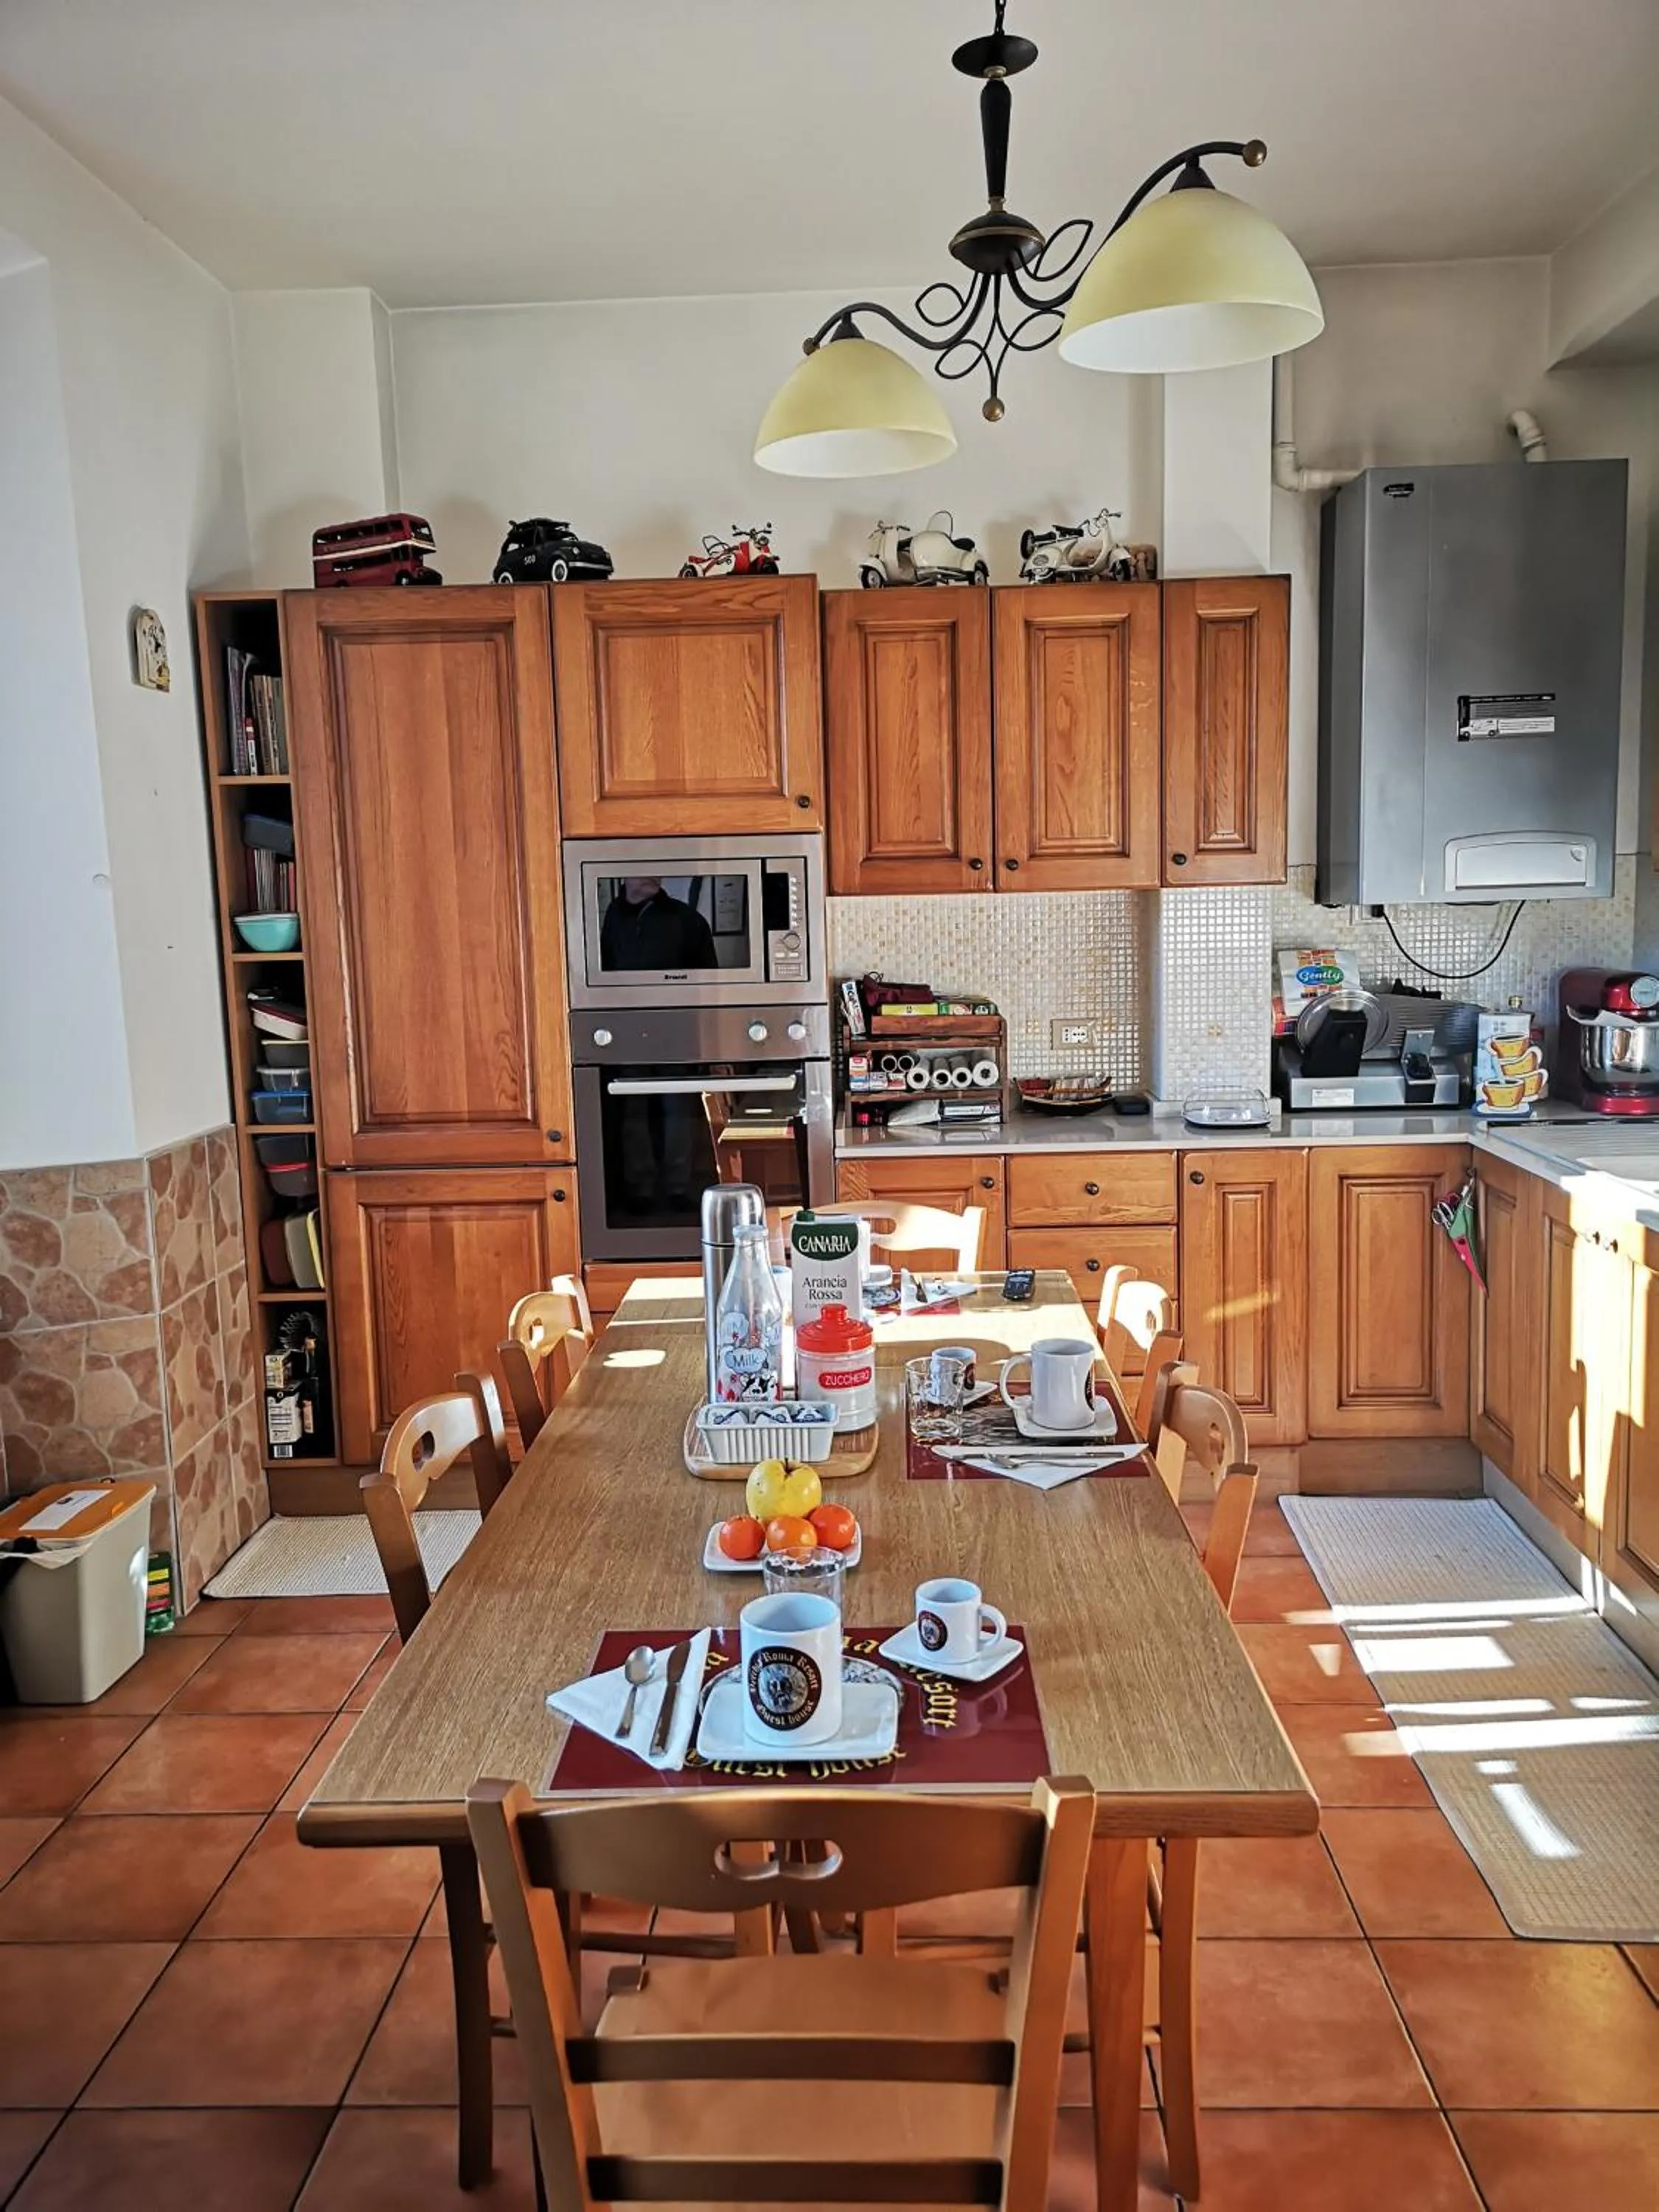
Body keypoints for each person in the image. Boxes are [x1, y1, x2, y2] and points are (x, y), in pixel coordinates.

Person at [600, 875, 719, 972]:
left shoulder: (690, 920)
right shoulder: (613, 914)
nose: (652, 872)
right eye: (642, 862)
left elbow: (709, 987)